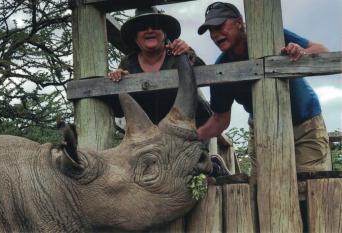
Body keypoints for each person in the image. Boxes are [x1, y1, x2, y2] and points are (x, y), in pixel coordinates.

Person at [196, 2, 330, 176]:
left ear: (239, 22)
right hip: (262, 131)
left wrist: (301, 52)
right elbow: (220, 119)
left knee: (311, 183)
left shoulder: (271, 34)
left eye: (219, 26)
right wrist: (190, 137)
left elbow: (323, 51)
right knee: (263, 187)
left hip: (304, 124)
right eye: (210, 30)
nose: (214, 34)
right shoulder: (222, 69)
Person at [107, 6, 207, 125]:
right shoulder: (128, 63)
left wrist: (187, 54)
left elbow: (202, 72)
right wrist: (119, 79)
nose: (149, 30)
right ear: (135, 36)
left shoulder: (177, 54)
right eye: (142, 27)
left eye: (155, 26)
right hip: (148, 133)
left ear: (164, 34)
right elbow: (119, 110)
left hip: (185, 127)